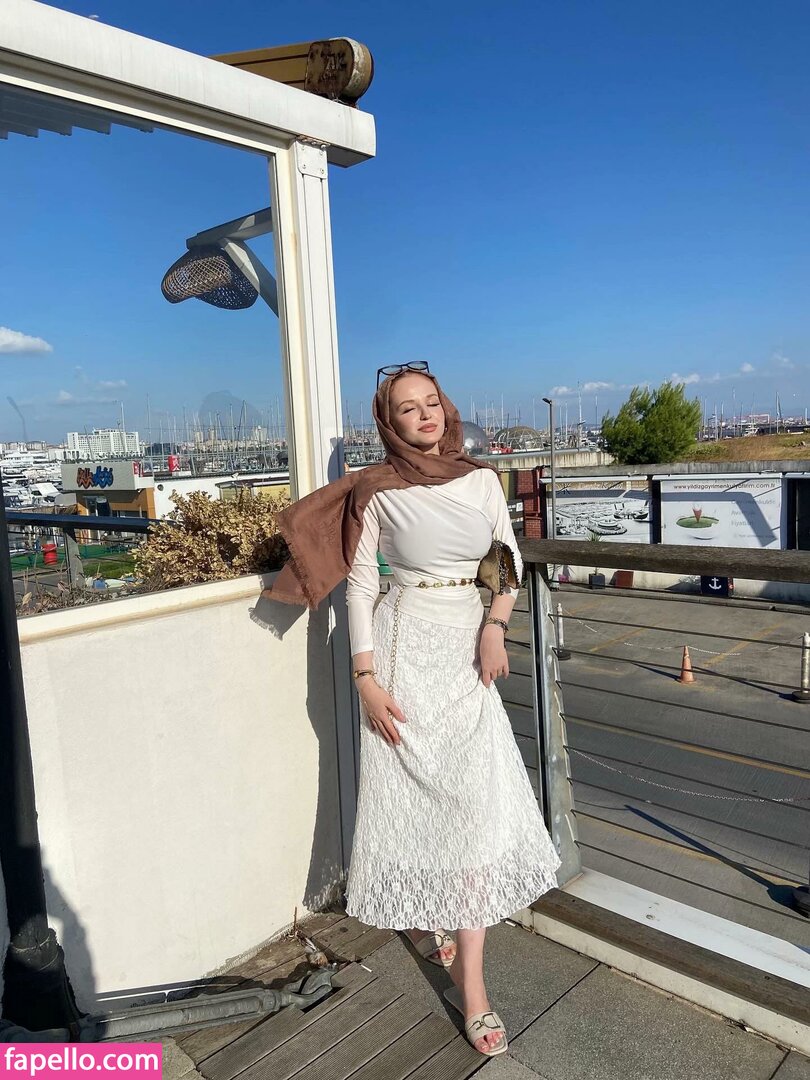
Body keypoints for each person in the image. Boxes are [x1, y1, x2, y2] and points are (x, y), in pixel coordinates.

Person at [262, 362, 561, 1058]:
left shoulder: (481, 480)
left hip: (468, 653)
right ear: (388, 423)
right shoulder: (377, 489)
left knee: (474, 812)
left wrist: (496, 627)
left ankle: (471, 979)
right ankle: (446, 948)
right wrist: (364, 677)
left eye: (432, 403)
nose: (425, 416)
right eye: (407, 408)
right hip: (403, 654)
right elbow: (361, 588)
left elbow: (506, 562)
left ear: (446, 410)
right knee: (416, 805)